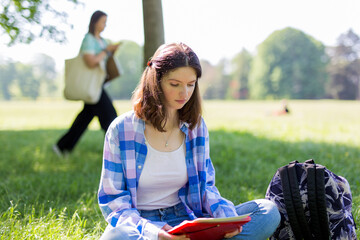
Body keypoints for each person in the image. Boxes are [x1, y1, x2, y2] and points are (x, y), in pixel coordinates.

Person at [98, 43, 280, 240]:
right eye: (175, 84)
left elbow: (206, 189)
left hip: (186, 220)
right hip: (141, 225)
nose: (184, 93)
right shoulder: (121, 129)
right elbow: (114, 202)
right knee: (115, 237)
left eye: (191, 84)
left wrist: (227, 221)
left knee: (268, 211)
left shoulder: (196, 127)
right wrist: (155, 233)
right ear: (155, 82)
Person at [53, 10, 119, 157]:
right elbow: (90, 62)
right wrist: (106, 51)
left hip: (98, 84)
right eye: (103, 22)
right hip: (92, 86)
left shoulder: (103, 41)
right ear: (95, 22)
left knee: (84, 119)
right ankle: (115, 151)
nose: (105, 25)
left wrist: (111, 51)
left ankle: (61, 146)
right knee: (110, 116)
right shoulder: (88, 39)